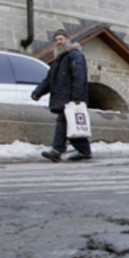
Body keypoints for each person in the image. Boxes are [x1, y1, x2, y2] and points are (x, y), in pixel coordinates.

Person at [32, 29, 92, 162]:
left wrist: (77, 96)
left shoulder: (75, 56)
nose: (59, 42)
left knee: (65, 123)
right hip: (64, 98)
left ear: (67, 39)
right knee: (69, 124)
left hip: (71, 98)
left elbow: (79, 77)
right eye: (56, 40)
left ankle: (58, 149)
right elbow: (49, 80)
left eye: (61, 39)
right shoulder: (59, 59)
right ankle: (83, 150)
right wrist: (38, 92)